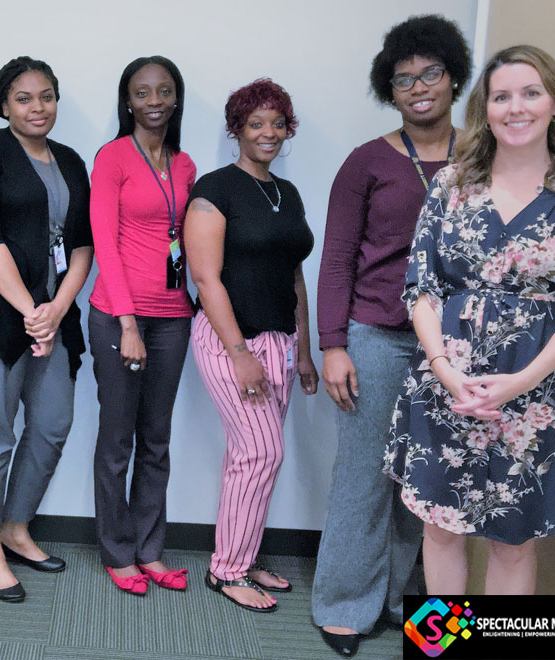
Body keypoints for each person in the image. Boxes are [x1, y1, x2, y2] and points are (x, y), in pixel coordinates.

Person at [383, 45, 555, 596]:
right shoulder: (452, 186)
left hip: (535, 393)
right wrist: (441, 367)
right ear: (484, 108)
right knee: (440, 532)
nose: (516, 108)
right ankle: (442, 650)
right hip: (448, 384)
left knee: (513, 541)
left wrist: (519, 383)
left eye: (530, 93)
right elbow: (420, 287)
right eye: (501, 96)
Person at [311, 15, 472, 657]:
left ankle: (396, 604)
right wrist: (332, 344)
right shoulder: (367, 162)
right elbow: (337, 258)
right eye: (404, 80)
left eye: (430, 73)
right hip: (377, 336)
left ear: (454, 77)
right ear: (391, 90)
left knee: (429, 484)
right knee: (364, 476)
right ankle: (344, 604)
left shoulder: (483, 158)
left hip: (459, 348)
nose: (419, 87)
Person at [0, 56, 93, 602]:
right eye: (25, 98)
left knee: (53, 423)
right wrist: (31, 308)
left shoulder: (72, 160)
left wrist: (55, 308)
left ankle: (16, 526)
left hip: (51, 315)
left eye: (47, 96)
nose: (38, 107)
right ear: (4, 105)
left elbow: (82, 243)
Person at [184, 78, 318, 613]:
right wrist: (239, 353)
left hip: (280, 342)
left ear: (288, 129)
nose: (268, 133)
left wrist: (304, 350)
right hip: (228, 341)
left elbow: (296, 278)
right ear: (236, 129)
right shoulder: (214, 191)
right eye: (255, 123)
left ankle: (242, 551)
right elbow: (206, 279)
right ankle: (227, 570)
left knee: (254, 458)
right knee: (261, 452)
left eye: (276, 123)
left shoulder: (288, 193)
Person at [88, 56, 195, 595]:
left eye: (164, 90)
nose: (154, 100)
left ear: (176, 98)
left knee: (157, 439)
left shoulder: (184, 164)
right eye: (143, 92)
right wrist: (128, 322)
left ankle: (151, 549)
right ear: (128, 101)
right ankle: (118, 550)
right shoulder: (112, 157)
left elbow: (186, 241)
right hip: (118, 316)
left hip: (174, 318)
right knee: (117, 440)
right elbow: (105, 242)